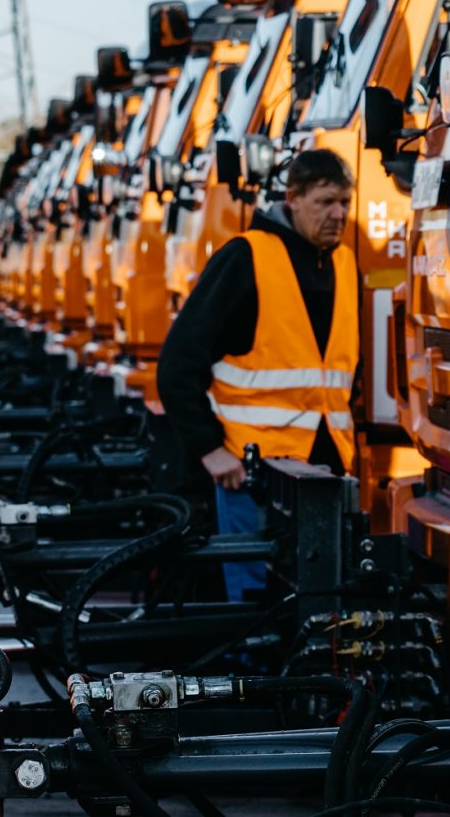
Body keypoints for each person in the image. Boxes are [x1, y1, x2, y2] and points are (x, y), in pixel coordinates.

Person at [157, 148, 356, 598]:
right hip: (253, 477)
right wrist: (210, 450)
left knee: (319, 611)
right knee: (251, 605)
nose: (338, 214)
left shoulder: (344, 264)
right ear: (293, 199)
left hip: (325, 475)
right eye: (326, 201)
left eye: (345, 202)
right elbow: (176, 366)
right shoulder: (246, 257)